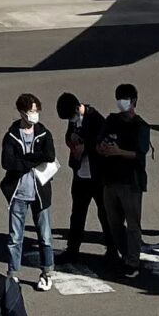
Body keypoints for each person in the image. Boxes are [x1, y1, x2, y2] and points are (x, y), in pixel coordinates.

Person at [0, 93, 58, 288]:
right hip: (19, 193)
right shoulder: (12, 135)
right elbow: (7, 163)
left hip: (40, 192)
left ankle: (47, 272)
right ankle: (13, 273)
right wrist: (33, 159)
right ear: (22, 112)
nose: (35, 115)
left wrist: (24, 160)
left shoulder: (44, 133)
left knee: (45, 236)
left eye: (36, 111)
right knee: (15, 237)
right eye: (31, 111)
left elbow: (49, 156)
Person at [92, 81, 150, 278]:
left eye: (125, 99)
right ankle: (125, 254)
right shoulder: (111, 120)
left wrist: (118, 151)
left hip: (131, 182)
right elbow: (99, 140)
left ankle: (133, 262)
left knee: (133, 224)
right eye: (119, 99)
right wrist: (101, 148)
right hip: (110, 180)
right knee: (113, 223)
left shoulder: (140, 126)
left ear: (133, 101)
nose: (121, 103)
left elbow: (140, 153)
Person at [57, 92, 107, 268]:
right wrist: (71, 140)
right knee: (77, 215)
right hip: (80, 174)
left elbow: (101, 143)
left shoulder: (95, 118)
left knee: (105, 214)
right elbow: (68, 136)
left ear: (78, 108)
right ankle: (72, 250)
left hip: (97, 176)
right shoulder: (73, 119)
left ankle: (112, 250)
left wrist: (85, 147)